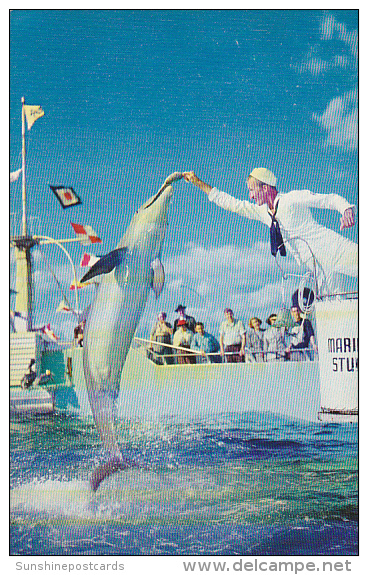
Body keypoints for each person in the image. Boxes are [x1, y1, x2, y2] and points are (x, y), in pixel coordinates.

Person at [183, 168, 357, 295]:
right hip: (316, 267)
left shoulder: (291, 199)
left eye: (252, 190)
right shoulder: (263, 212)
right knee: (334, 308)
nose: (250, 196)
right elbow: (232, 204)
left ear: (265, 188)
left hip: (333, 248)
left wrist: (346, 209)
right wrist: (198, 183)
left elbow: (328, 199)